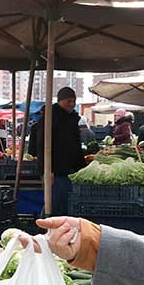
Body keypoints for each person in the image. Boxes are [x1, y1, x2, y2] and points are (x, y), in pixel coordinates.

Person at [30, 87, 84, 215]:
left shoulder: (72, 119)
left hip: (69, 170)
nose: (72, 104)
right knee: (54, 204)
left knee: (63, 204)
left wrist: (82, 167)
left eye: (73, 101)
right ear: (60, 101)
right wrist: (48, 171)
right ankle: (44, 229)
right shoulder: (50, 118)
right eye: (68, 101)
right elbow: (41, 146)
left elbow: (75, 145)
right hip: (55, 171)